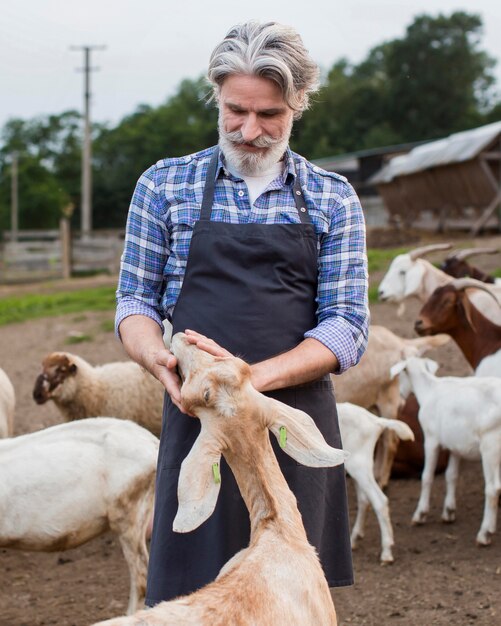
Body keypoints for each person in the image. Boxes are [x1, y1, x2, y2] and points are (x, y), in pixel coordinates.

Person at [116, 20, 370, 607]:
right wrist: (154, 353)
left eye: (270, 115)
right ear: (216, 96)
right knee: (196, 596)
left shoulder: (332, 196)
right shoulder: (164, 185)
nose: (249, 130)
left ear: (298, 107)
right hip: (199, 416)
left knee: (287, 600)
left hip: (292, 419)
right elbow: (135, 301)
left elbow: (347, 325)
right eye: (236, 111)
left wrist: (253, 380)